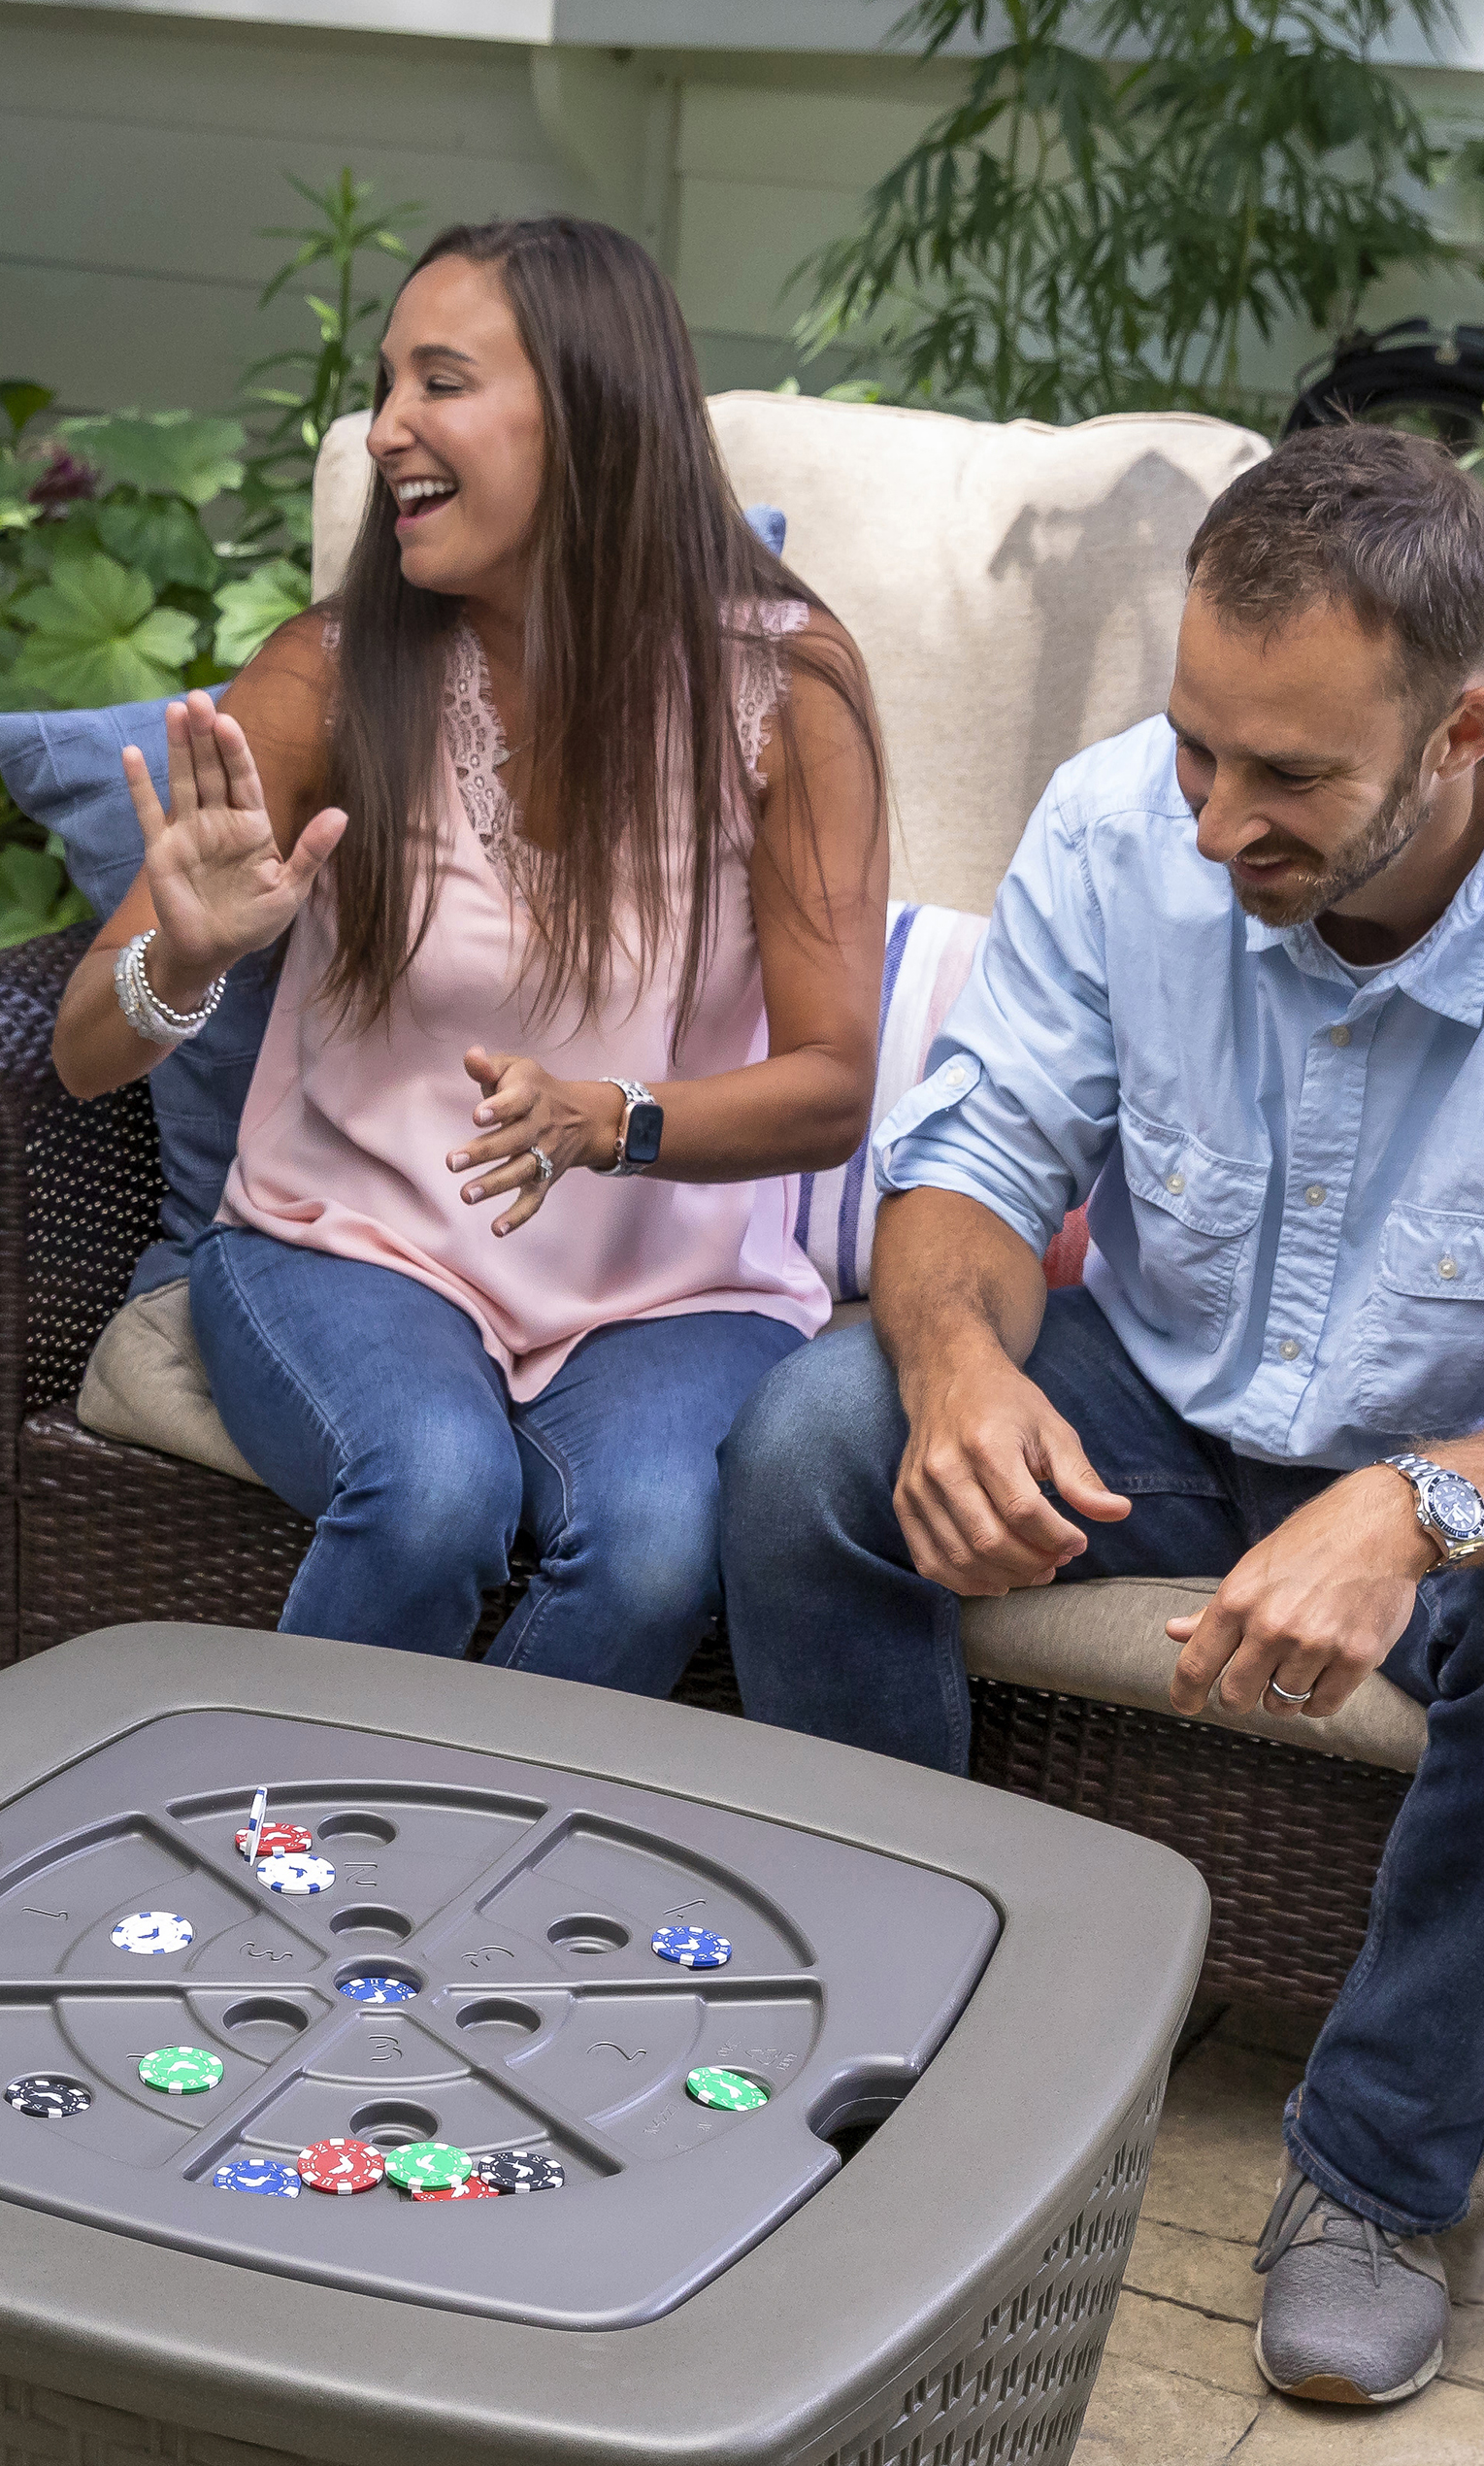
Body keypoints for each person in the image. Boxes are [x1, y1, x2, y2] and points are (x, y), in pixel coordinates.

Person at [721, 423, 1484, 2411]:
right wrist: (959, 1370)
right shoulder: (1114, 824)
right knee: (810, 1444)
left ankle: (1371, 2183)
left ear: (1459, 736)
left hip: (1454, 1474)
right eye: (1195, 747)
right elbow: (971, 1168)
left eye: (1289, 778)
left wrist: (1412, 1505)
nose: (1217, 825)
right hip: (1158, 1394)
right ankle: (901, 2041)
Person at [51, 215, 887, 1693]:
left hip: (673, 1294)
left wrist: (612, 1122)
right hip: (348, 1247)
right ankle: (297, 1821)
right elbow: (80, 1050)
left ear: (592, 414)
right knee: (433, 1491)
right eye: (385, 385)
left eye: (439, 383)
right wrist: (180, 962)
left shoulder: (783, 689)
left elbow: (833, 1084)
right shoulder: (331, 673)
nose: (386, 429)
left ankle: (456, 1835)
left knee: (653, 1547)